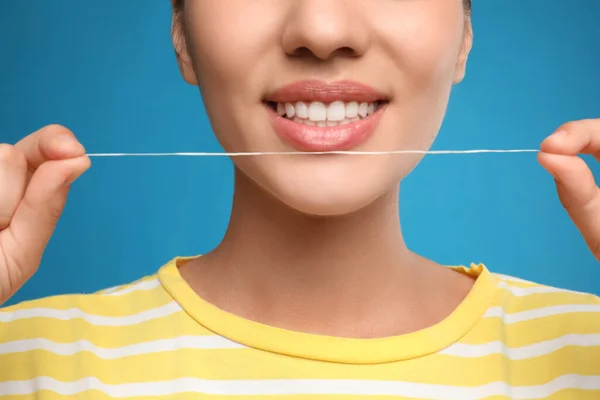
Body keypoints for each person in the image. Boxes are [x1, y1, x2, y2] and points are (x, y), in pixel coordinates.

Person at [0, 0, 599, 398]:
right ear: (182, 35)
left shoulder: (585, 353)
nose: (321, 30)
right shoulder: (26, 362)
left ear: (464, 35)